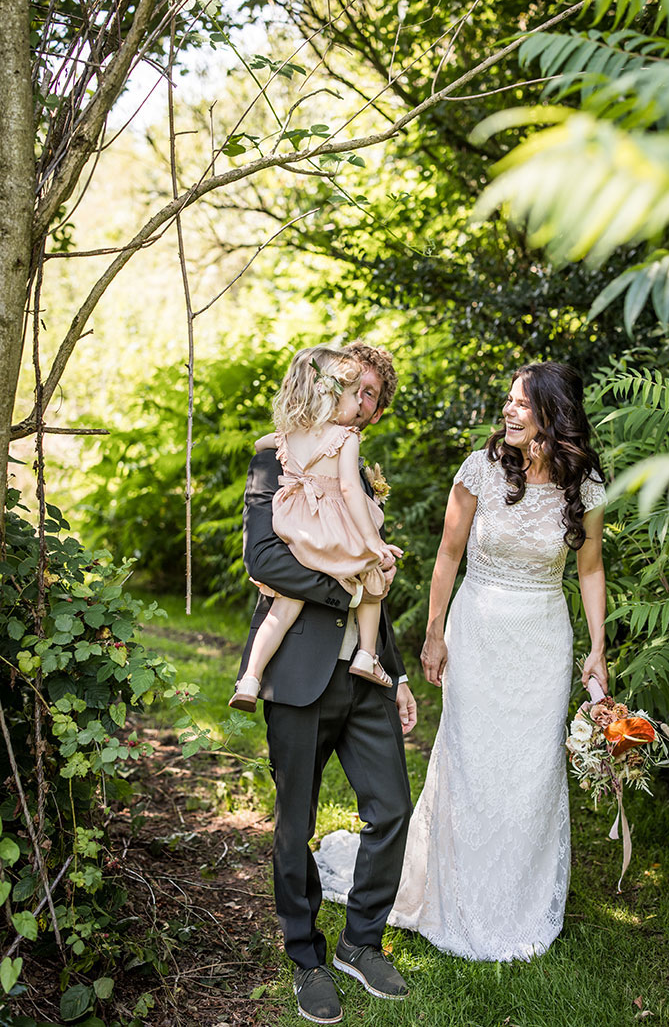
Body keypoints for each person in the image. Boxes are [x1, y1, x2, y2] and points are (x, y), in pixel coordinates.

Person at [379, 360, 607, 960]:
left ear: (551, 416)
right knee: (472, 758)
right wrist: (433, 634)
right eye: (506, 400)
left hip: (542, 639)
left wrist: (598, 650)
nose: (506, 410)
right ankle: (458, 892)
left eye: (520, 404)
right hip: (476, 628)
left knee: (530, 769)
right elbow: (447, 556)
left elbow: (590, 569)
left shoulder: (582, 485)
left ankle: (519, 901)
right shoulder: (480, 469)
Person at [239, 340, 417, 1024]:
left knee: (391, 809)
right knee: (296, 826)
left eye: (374, 395)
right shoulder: (273, 451)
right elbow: (262, 556)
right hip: (298, 668)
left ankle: (362, 942)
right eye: (356, 387)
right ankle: (306, 956)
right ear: (327, 383)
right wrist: (343, 594)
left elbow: (372, 568)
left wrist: (396, 673)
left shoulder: (358, 467)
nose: (364, 402)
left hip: (366, 675)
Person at [231, 346, 401, 712]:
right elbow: (348, 491)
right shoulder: (344, 440)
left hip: (297, 527)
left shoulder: (287, 437)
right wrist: (374, 546)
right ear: (334, 393)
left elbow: (266, 442)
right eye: (355, 392)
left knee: (283, 608)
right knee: (370, 577)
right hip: (331, 530)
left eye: (366, 396)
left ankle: (249, 677)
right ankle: (367, 656)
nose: (358, 403)